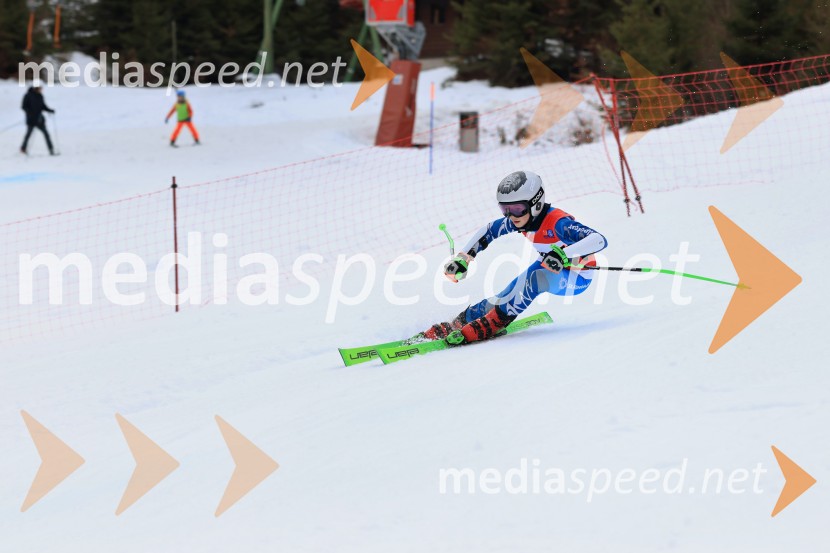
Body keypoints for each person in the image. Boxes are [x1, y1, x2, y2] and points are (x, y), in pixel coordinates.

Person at [420, 170, 608, 345]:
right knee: (507, 293)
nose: (511, 216)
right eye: (505, 209)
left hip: (577, 276)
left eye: (517, 209)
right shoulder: (521, 220)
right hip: (547, 265)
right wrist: (463, 258)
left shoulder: (559, 223)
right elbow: (489, 231)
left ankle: (495, 322)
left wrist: (563, 254)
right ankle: (461, 321)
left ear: (536, 204)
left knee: (534, 280)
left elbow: (598, 239)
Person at [20, 84, 56, 155]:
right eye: (40, 88)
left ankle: (51, 149)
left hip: (39, 120)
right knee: (28, 135)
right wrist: (30, 113)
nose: (41, 90)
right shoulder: (28, 96)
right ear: (36, 88)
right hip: (31, 120)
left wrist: (50, 110)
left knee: (46, 134)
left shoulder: (40, 96)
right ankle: (23, 148)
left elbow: (43, 106)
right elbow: (23, 106)